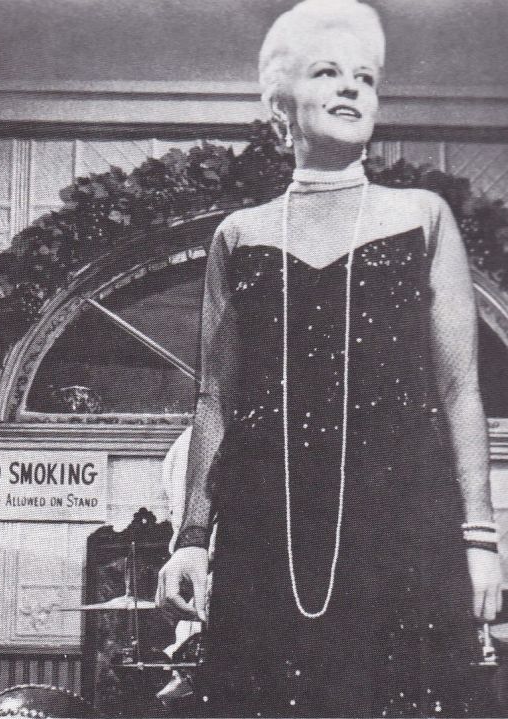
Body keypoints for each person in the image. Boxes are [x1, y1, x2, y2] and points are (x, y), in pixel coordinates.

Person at [155, 1, 502, 716]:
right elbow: (215, 399)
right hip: (267, 528)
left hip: (405, 521)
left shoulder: (422, 216)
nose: (350, 87)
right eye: (326, 72)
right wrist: (191, 540)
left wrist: (480, 540)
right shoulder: (238, 235)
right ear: (281, 105)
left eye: (365, 78)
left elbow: (461, 388)